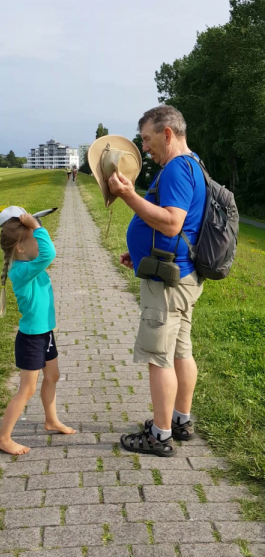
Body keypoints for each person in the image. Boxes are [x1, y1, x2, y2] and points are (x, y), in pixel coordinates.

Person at [108, 105, 206, 457]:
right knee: (181, 350)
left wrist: (128, 195)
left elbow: (171, 223)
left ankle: (160, 436)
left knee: (158, 356)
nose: (144, 148)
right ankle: (180, 420)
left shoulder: (177, 168)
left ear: (167, 134)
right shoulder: (194, 163)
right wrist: (141, 251)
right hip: (177, 273)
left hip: (167, 284)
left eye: (147, 139)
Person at [0, 208, 76, 455]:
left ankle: (50, 420)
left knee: (52, 376)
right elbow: (49, 253)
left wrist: (34, 227)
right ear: (20, 248)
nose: (39, 243)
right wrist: (37, 227)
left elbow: (43, 253)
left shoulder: (29, 264)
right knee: (27, 389)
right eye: (34, 239)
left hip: (45, 334)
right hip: (31, 338)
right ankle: (3, 437)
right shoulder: (22, 272)